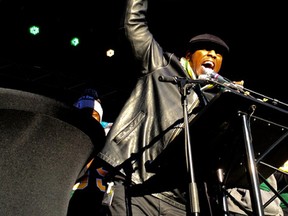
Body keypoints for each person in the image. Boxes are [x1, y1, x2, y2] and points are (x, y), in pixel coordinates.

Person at [94, 0, 238, 215]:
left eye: (218, 54)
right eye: (205, 50)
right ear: (189, 55)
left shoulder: (218, 100)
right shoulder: (160, 64)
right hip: (137, 182)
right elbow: (134, 25)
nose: (212, 55)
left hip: (182, 200)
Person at [67, 88, 113, 216]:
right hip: (70, 201)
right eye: (83, 114)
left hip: (99, 202)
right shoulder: (65, 137)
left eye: (92, 115)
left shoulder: (110, 137)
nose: (88, 119)